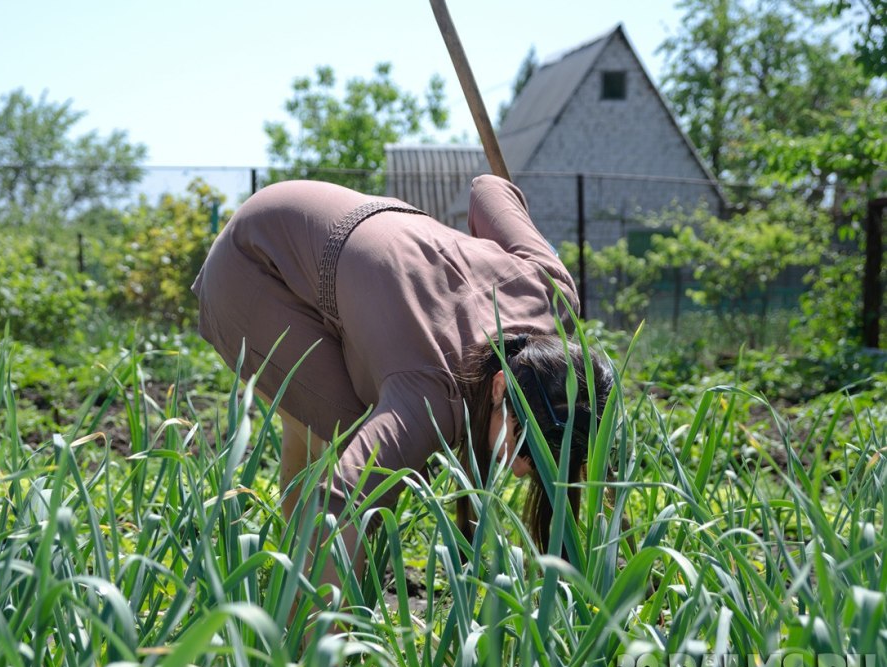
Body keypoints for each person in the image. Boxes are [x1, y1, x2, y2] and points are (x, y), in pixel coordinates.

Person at [192, 174, 613, 574]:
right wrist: (330, 627)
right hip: (256, 264)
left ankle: (294, 569)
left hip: (319, 230)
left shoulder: (551, 292)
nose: (519, 471)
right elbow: (339, 508)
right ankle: (304, 604)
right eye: (524, 446)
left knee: (320, 436)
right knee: (363, 453)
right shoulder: (430, 392)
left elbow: (490, 189)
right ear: (500, 387)